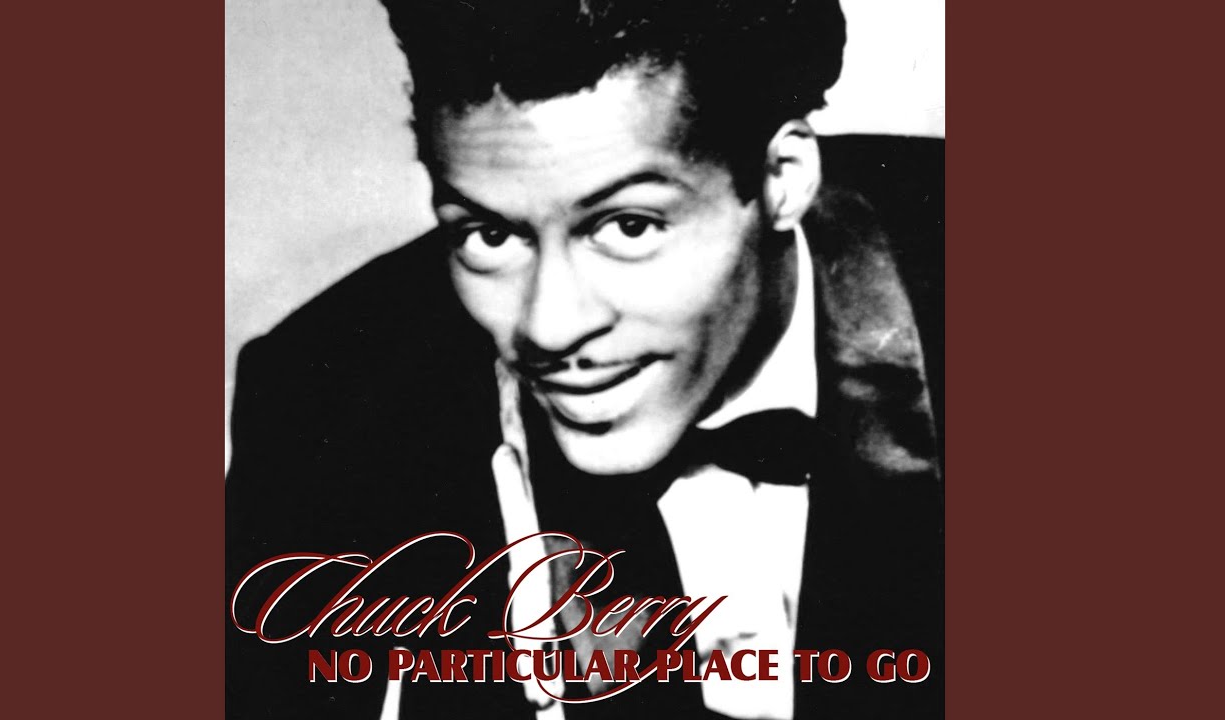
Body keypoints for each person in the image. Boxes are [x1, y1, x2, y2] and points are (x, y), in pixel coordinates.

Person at [227, 1, 943, 718]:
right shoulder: (323, 403)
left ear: (781, 177)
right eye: (489, 236)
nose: (549, 327)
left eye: (628, 226)